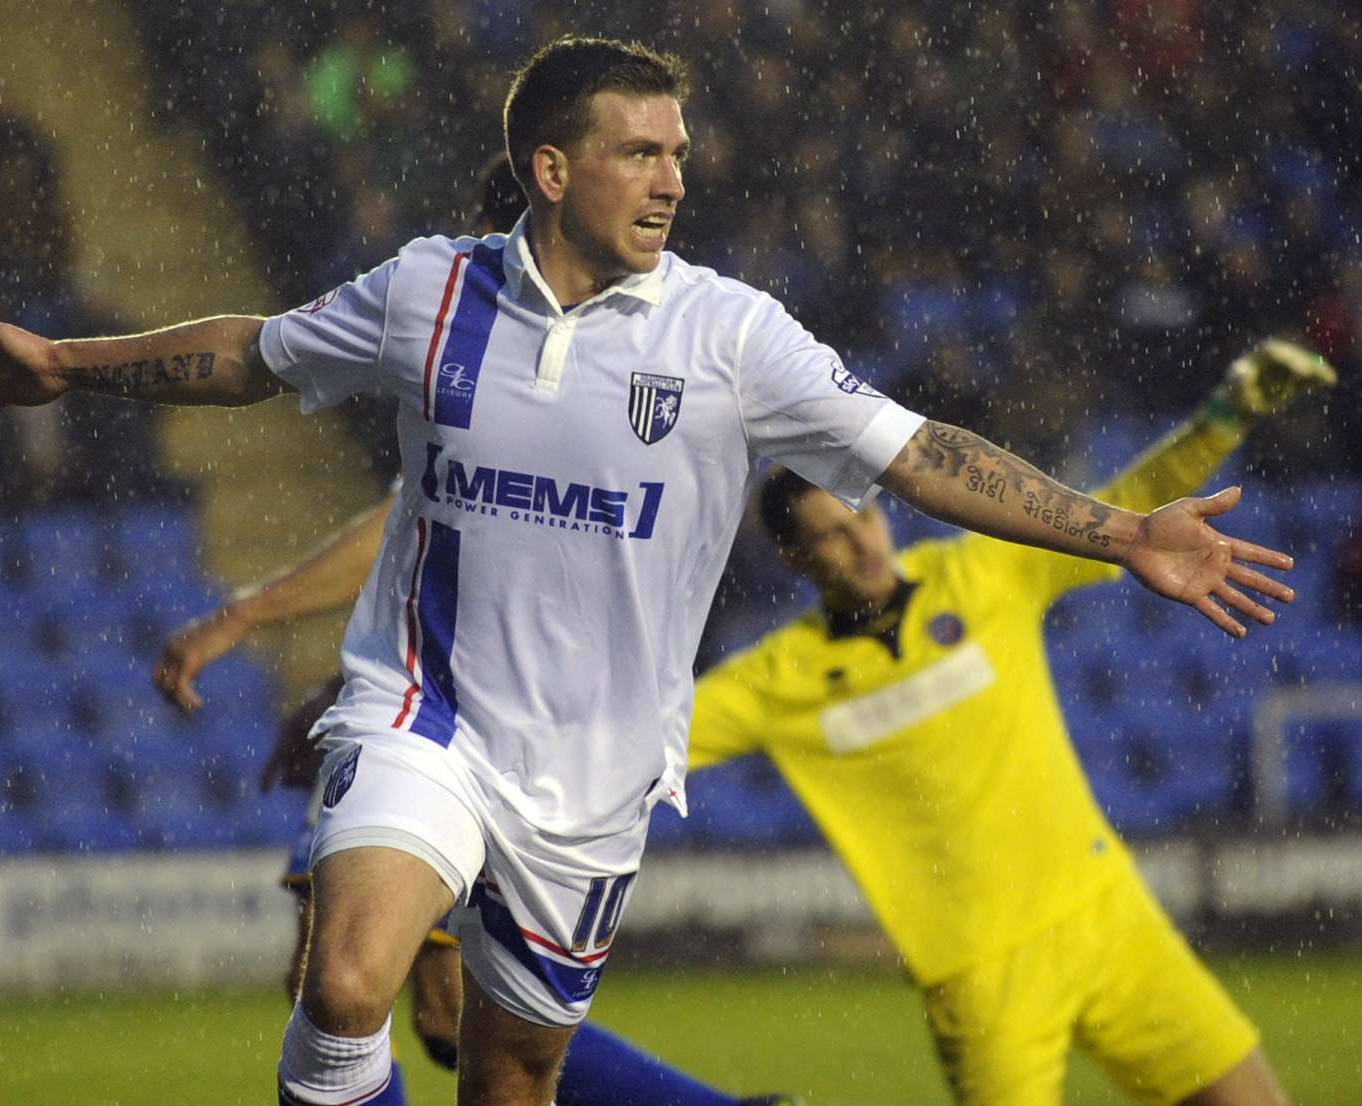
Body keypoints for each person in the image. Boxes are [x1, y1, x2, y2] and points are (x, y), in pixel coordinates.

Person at [0, 36, 1294, 1106]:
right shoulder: (428, 293)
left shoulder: (731, 334)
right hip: (427, 710)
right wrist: (66, 364)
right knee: (350, 979)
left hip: (593, 775)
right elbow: (254, 352)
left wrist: (1122, 531)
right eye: (639, 152)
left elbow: (920, 447)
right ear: (551, 169)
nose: (673, 177)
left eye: (679, 153)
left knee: (516, 1072)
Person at [157, 342, 1330, 1106]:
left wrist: (1228, 407)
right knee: (450, 1013)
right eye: (827, 534)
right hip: (982, 976)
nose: (860, 541)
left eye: (862, 519)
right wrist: (410, 692)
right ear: (795, 555)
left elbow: (1126, 507)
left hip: (1109, 913)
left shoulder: (988, 585)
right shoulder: (775, 680)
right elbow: (611, 719)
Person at [163, 151, 797, 1106]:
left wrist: (250, 618)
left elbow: (424, 531)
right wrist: (261, 625)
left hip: (522, 723)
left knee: (430, 1009)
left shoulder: (605, 352)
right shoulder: (488, 344)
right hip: (430, 712)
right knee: (370, 993)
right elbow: (412, 522)